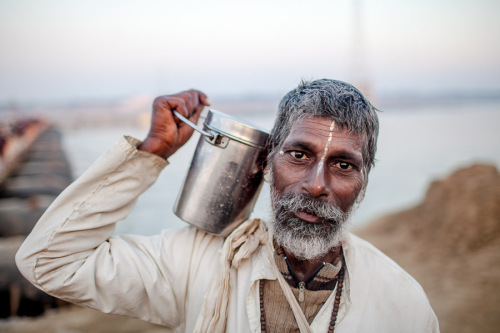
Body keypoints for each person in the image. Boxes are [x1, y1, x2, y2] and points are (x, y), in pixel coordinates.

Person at [16, 79, 439, 332]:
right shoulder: (197, 261)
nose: (315, 185)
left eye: (343, 164)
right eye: (298, 155)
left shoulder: (403, 303)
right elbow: (50, 262)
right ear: (266, 163)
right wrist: (153, 152)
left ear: (363, 184)